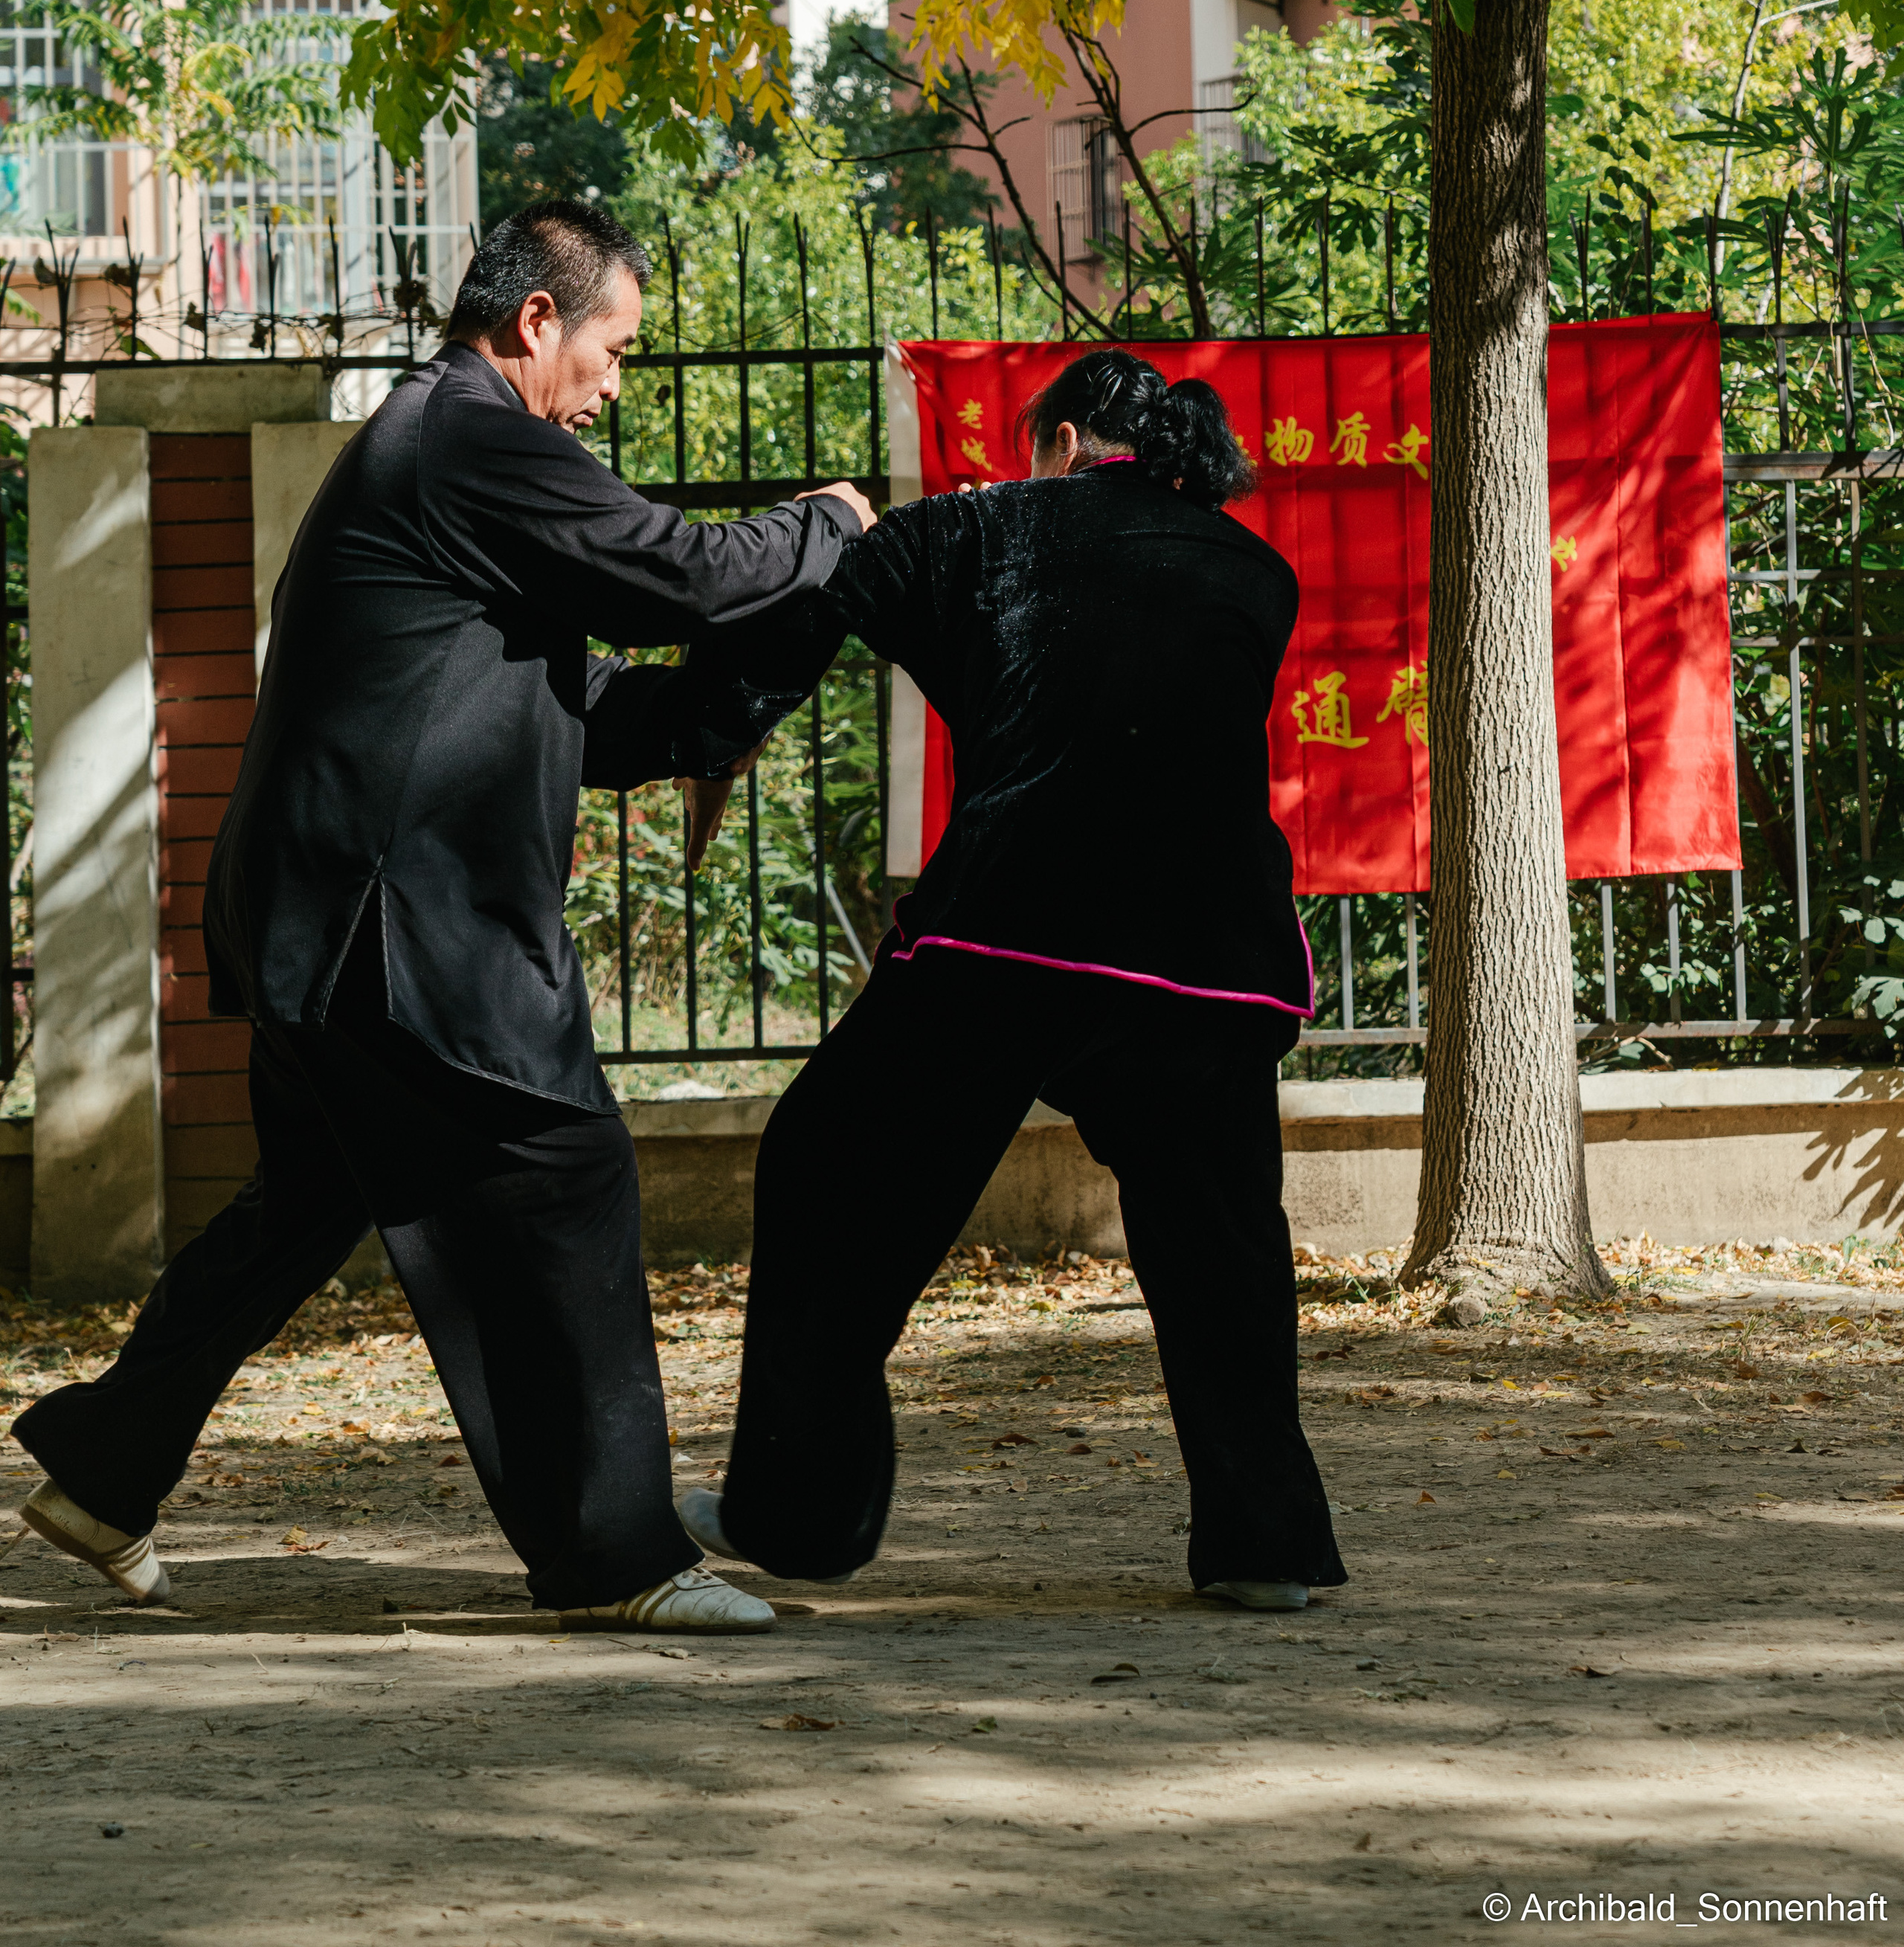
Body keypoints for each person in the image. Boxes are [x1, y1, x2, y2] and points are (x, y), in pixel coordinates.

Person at [12, 200, 873, 1637]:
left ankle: (104, 1473)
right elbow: (683, 573)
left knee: (306, 1207)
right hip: (381, 929)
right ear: (538, 320)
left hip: (322, 921)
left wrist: (768, 667)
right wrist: (828, 528)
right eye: (611, 347)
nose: (612, 383)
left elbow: (585, 713)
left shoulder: (446, 462)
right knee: (565, 1163)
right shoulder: (471, 435)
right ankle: (619, 1557)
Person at [672, 347, 1346, 1610]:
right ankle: (1267, 1545)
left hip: (1015, 932)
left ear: (1060, 440)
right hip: (1211, 963)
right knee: (1222, 1247)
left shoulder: (981, 528)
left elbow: (829, 588)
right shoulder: (1259, 573)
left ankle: (798, 1507)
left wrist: (719, 735)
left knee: (824, 1161)